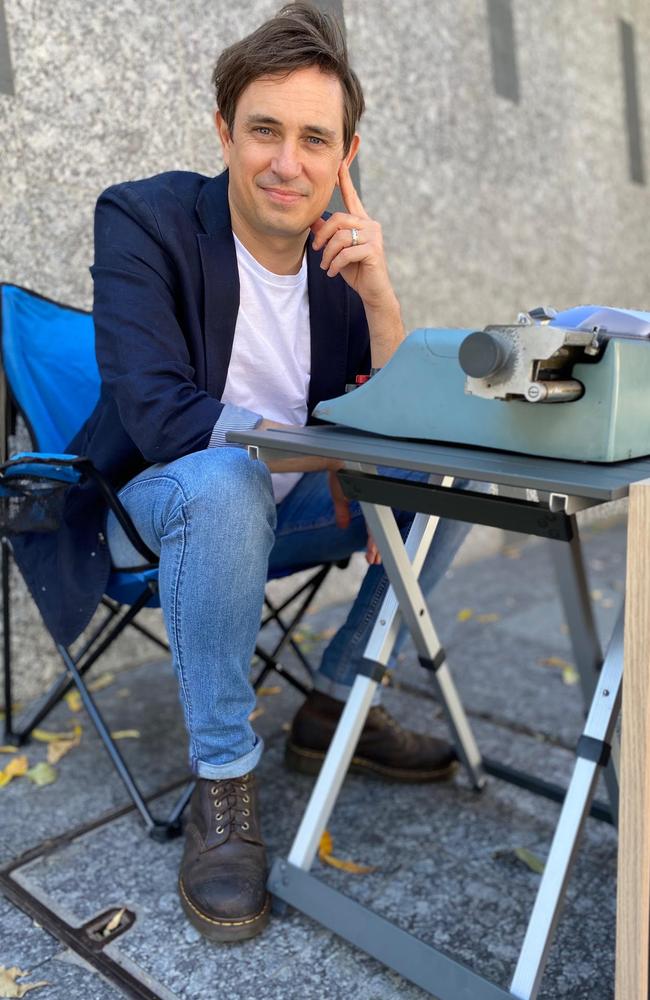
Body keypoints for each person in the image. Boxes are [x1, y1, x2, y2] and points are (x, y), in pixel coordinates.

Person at [13, 2, 470, 942]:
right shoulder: (143, 219)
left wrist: (382, 301)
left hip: (292, 505)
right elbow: (159, 413)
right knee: (226, 481)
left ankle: (338, 703)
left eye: (315, 139)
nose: (285, 162)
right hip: (156, 505)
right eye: (264, 129)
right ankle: (225, 785)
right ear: (225, 130)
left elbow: (403, 425)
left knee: (450, 476)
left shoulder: (343, 265)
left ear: (345, 156)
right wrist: (337, 458)